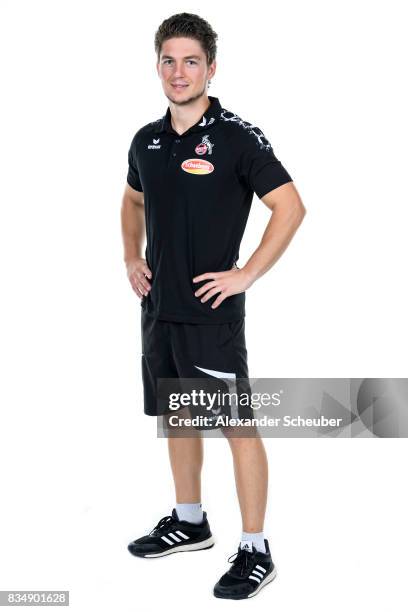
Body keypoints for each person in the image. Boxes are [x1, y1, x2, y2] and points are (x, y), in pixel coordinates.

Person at [121, 12, 306, 600]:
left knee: (235, 425)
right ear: (158, 66)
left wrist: (246, 273)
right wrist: (132, 256)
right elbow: (131, 201)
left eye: (191, 61)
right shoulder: (146, 138)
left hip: (210, 312)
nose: (179, 72)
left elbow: (291, 207)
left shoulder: (235, 137)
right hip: (159, 309)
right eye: (169, 60)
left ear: (211, 67)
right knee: (178, 416)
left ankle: (256, 549)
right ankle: (191, 520)